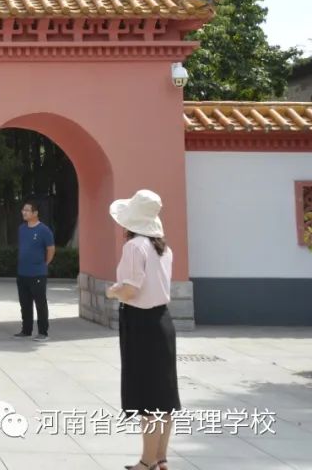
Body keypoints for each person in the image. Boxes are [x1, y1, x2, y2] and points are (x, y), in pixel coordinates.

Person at [106, 190, 180, 470]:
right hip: (163, 321)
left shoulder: (134, 247)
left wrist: (112, 292)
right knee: (164, 395)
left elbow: (130, 289)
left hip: (141, 323)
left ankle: (146, 462)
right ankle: (160, 458)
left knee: (147, 396)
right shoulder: (164, 248)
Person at [14, 200, 55, 342]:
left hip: (37, 273)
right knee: (24, 303)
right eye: (23, 210)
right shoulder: (22, 229)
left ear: (35, 213)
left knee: (40, 303)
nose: (23, 212)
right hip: (22, 272)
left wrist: (44, 263)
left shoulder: (44, 230)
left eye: (27, 210)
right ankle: (26, 330)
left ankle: (43, 332)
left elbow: (51, 249)